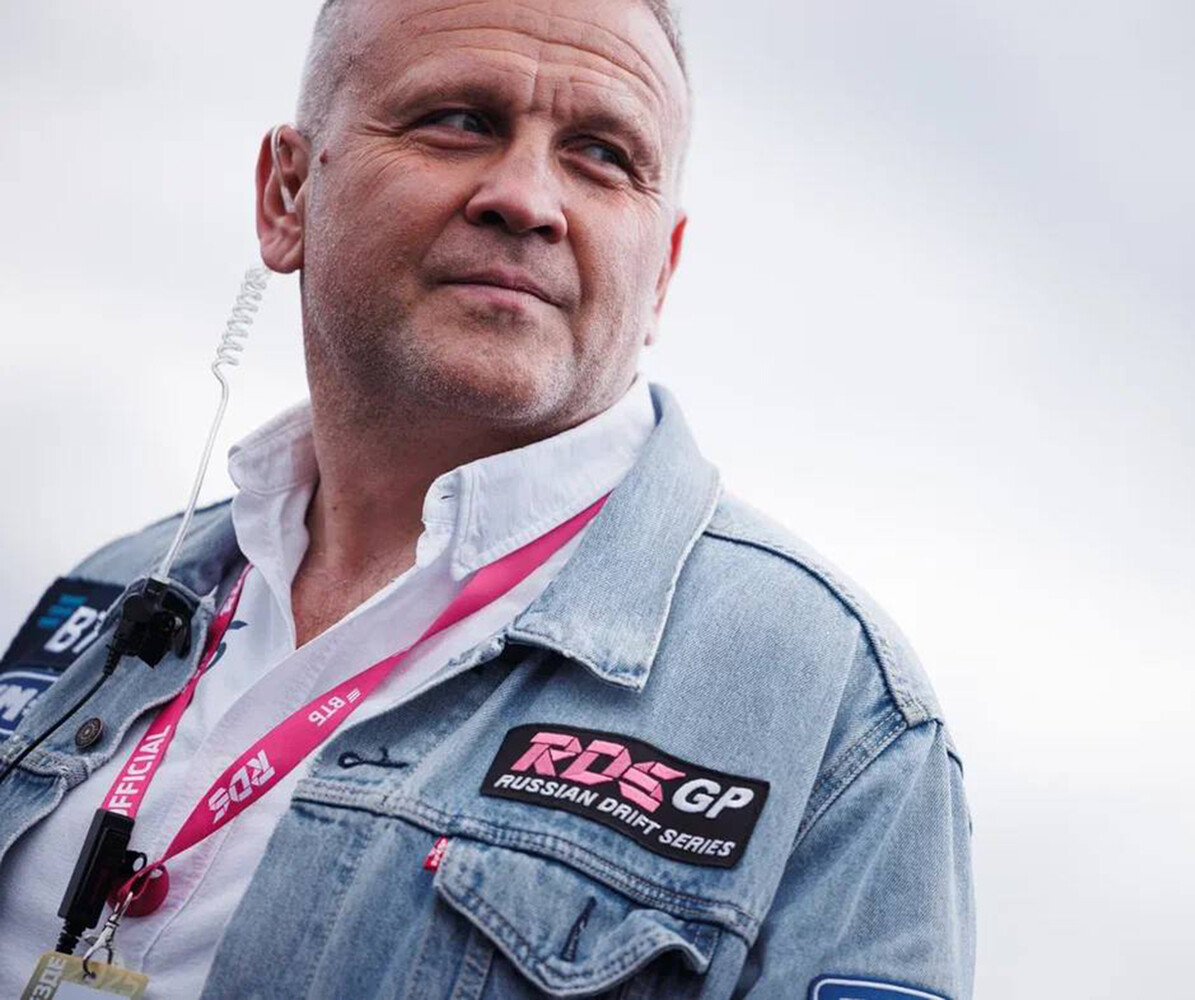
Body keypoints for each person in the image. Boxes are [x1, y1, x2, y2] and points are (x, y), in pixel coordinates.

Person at [0, 1, 975, 996]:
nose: (526, 199)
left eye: (602, 154)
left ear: (662, 274)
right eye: (460, 121)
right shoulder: (109, 590)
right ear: (288, 195)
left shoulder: (840, 715)